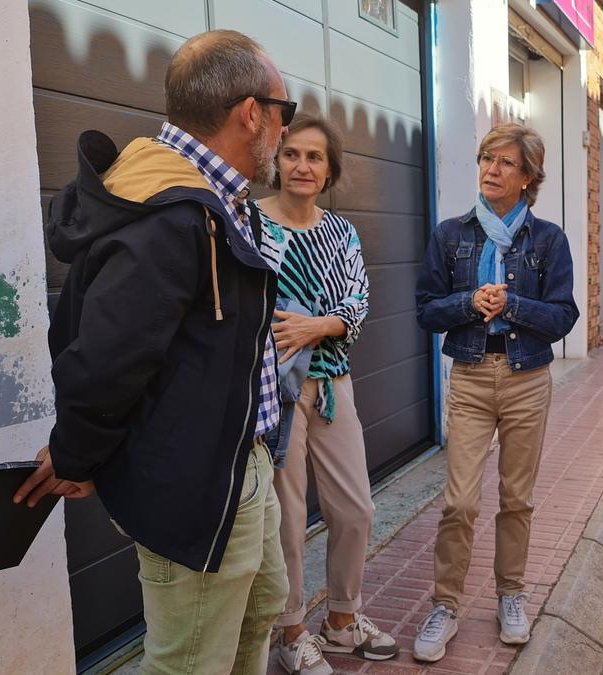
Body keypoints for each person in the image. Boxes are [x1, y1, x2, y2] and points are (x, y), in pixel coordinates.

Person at [14, 30, 295, 673]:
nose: (284, 129)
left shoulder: (217, 198)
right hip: (195, 481)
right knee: (191, 660)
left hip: (238, 465)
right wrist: (76, 452)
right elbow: (106, 357)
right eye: (285, 110)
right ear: (251, 112)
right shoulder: (172, 213)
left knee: (258, 613)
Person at [412, 122, 579, 662]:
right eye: (487, 158)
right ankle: (445, 604)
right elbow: (425, 310)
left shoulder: (548, 239)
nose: (491, 169)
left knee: (517, 499)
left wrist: (511, 305)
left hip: (527, 378)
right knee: (459, 501)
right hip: (470, 376)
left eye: (506, 163)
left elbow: (562, 318)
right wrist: (468, 304)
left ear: (528, 177)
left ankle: (510, 594)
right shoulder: (450, 234)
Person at [252, 114, 398, 674]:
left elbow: (356, 304)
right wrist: (319, 319)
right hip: (274, 388)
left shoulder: (341, 233)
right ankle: (288, 632)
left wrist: (316, 326)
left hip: (333, 383)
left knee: (355, 507)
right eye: (291, 154)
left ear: (330, 168)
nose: (302, 166)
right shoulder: (250, 225)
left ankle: (341, 619)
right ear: (276, 161)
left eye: (314, 157)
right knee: (286, 516)